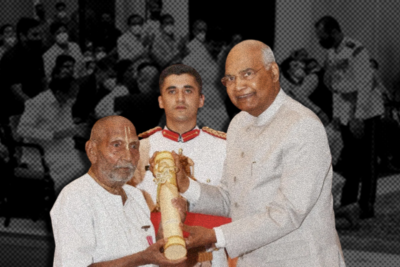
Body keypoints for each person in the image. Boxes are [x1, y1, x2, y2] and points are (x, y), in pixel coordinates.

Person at [149, 40, 345, 266]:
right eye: (230, 79)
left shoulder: (302, 125)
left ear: (273, 72)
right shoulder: (239, 124)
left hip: (300, 259)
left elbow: (289, 212)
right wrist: (185, 185)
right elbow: (231, 199)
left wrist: (216, 236)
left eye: (247, 74)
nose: (238, 85)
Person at [50, 115, 187, 266]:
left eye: (134, 146)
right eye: (117, 145)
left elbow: (149, 256)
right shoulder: (76, 197)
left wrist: (165, 233)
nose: (128, 156)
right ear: (92, 151)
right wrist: (143, 258)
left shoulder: (135, 195)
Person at [128, 64, 229, 266]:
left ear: (201, 100)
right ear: (160, 101)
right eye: (172, 91)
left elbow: (237, 208)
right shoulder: (139, 149)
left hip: (210, 259)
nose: (180, 98)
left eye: (188, 91)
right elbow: (125, 213)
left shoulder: (225, 148)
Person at [315, 16, 384, 222]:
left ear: (334, 31)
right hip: (345, 110)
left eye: (322, 36)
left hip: (366, 111)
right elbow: (336, 87)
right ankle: (348, 204)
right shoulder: (331, 52)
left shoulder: (356, 49)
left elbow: (364, 85)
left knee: (367, 161)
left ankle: (366, 205)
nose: (320, 40)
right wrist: (338, 115)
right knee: (351, 159)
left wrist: (358, 117)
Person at [17, 73, 86, 194]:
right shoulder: (37, 103)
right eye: (71, 96)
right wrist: (52, 135)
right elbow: (22, 129)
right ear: (59, 93)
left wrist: (77, 130)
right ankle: (53, 198)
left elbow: (67, 129)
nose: (74, 99)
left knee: (87, 164)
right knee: (79, 167)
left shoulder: (65, 104)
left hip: (62, 150)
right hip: (41, 154)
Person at [0, 17, 45, 128]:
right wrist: (36, 106)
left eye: (40, 34)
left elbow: (43, 81)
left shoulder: (36, 53)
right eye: (34, 35)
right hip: (15, 111)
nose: (39, 38)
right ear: (22, 36)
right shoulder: (11, 58)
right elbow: (16, 91)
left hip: (34, 105)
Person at [115, 62, 163, 134]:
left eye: (146, 78)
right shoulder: (132, 95)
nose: (141, 80)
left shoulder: (156, 99)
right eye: (141, 77)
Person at [280, 57, 330, 126]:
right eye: (295, 66)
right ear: (289, 72)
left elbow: (301, 95)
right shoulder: (294, 91)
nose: (301, 66)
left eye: (299, 63)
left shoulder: (313, 76)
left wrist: (319, 112)